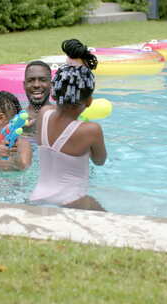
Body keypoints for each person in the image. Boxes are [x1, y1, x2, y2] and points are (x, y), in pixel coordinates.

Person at [29, 49, 107, 211]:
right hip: (72, 200)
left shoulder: (43, 114)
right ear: (89, 101)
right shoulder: (91, 130)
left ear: (54, 95)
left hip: (37, 197)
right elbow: (100, 161)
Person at [22, 60, 53, 133]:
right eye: (31, 80)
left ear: (51, 84)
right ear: (24, 85)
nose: (36, 85)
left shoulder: (61, 118)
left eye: (42, 80)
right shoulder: (15, 119)